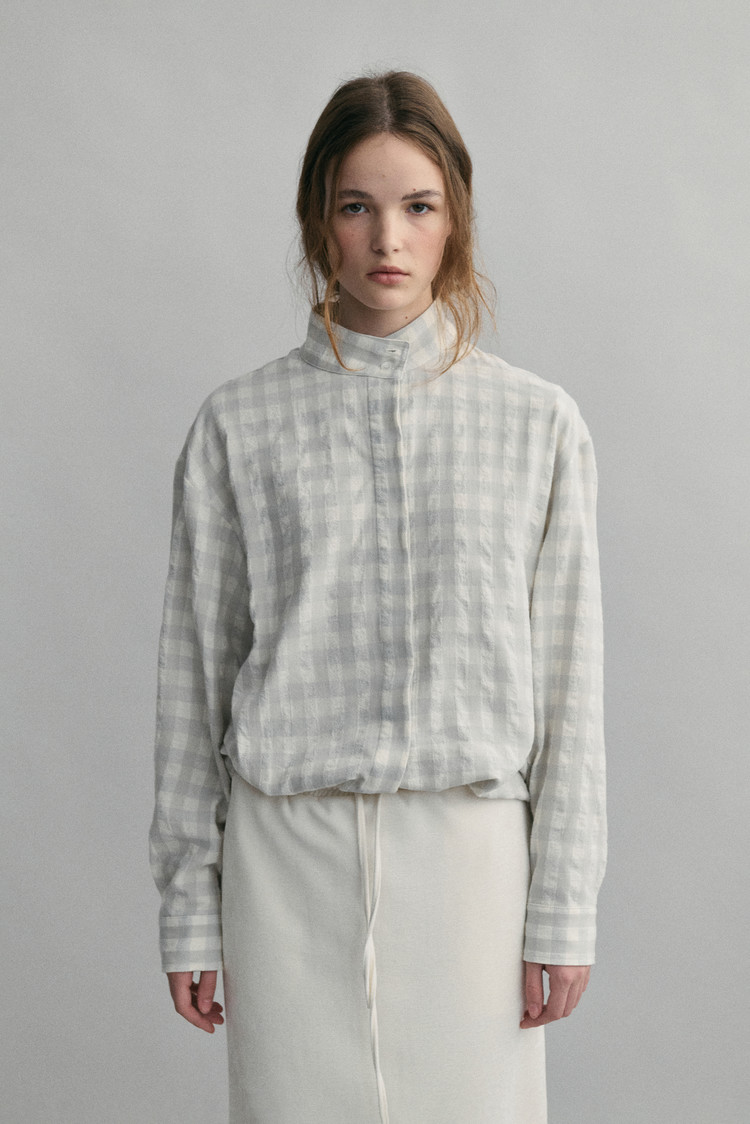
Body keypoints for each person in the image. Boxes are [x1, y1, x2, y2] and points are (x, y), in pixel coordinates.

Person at [149, 69, 607, 1124]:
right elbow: (193, 680)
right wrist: (189, 905)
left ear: (456, 220)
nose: (387, 239)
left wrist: (562, 904)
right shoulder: (237, 426)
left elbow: (570, 686)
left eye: (418, 206)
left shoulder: (537, 425)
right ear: (319, 218)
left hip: (472, 865)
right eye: (356, 205)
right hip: (284, 864)